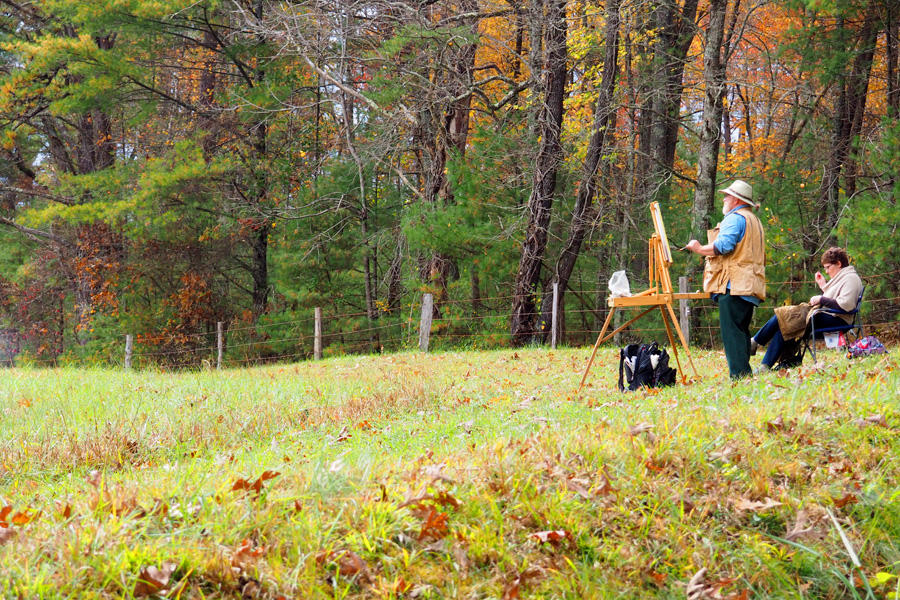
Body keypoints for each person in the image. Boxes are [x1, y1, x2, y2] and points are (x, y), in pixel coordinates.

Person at [686, 180, 765, 379]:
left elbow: (723, 246)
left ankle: (739, 376)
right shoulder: (753, 219)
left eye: (727, 195)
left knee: (731, 333)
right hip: (749, 285)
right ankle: (743, 375)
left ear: (737, 199)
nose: (724, 198)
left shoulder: (734, 218)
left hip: (734, 285)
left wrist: (698, 249)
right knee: (740, 331)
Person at [751, 247, 863, 371]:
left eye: (828, 267)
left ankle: (756, 343)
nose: (826, 271)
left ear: (838, 264)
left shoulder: (850, 278)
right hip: (829, 315)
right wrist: (823, 285)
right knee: (786, 323)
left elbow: (846, 304)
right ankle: (765, 364)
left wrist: (821, 299)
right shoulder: (843, 277)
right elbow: (835, 298)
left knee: (788, 317)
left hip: (838, 320)